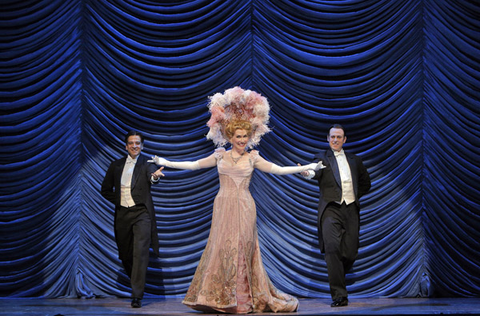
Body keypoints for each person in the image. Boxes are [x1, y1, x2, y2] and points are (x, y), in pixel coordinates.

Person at [150, 87, 322, 314]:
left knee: (243, 248)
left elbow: (278, 170)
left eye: (245, 136)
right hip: (222, 205)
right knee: (221, 248)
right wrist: (167, 162)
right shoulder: (220, 156)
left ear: (249, 137)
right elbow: (193, 165)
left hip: (244, 205)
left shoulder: (253, 158)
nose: (242, 140)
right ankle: (218, 296)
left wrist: (308, 167)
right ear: (230, 136)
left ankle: (242, 299)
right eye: (238, 136)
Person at [302, 124, 371, 307]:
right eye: (332, 137)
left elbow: (366, 183)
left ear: (344, 139)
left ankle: (340, 275)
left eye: (338, 137)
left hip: (350, 209)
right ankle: (339, 295)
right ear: (328, 138)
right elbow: (314, 171)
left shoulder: (355, 160)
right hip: (331, 210)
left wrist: (353, 196)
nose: (335, 140)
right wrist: (307, 173)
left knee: (349, 253)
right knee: (332, 248)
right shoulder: (322, 157)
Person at [101, 130, 165, 308]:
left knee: (140, 253)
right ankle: (136, 281)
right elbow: (105, 190)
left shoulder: (147, 163)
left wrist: (154, 178)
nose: (134, 146)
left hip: (141, 214)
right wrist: (120, 200)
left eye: (137, 143)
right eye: (131, 143)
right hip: (122, 214)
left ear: (142, 146)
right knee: (126, 254)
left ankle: (137, 295)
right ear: (126, 146)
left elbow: (152, 175)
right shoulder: (116, 165)